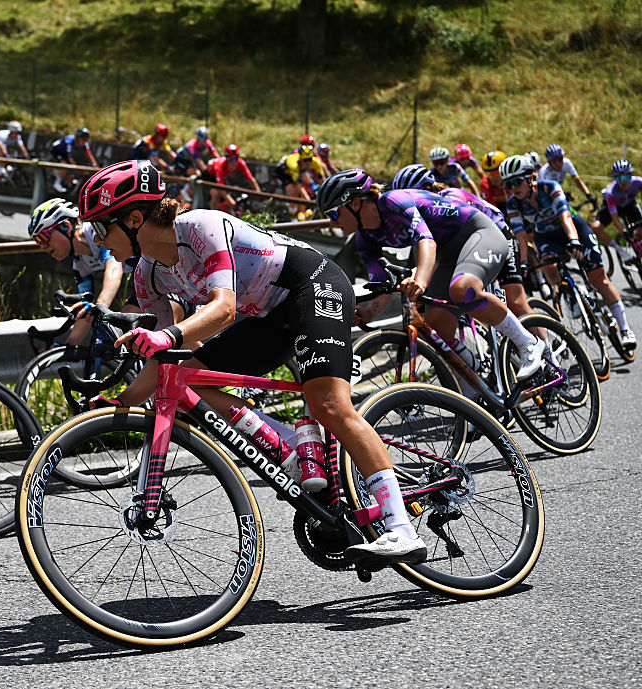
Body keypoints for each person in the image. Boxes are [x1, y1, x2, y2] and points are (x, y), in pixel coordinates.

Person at [76, 160, 428, 564]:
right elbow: (164, 362)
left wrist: (166, 334)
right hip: (269, 314)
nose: (100, 240)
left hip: (311, 285)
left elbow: (222, 310)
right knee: (187, 379)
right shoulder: (146, 275)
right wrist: (120, 403)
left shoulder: (199, 228)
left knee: (328, 405)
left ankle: (401, 529)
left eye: (103, 228)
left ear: (135, 219)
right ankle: (294, 446)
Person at [329, 168, 544, 382]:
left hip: (477, 232)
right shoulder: (364, 238)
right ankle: (475, 388)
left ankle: (528, 343)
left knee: (463, 288)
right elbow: (382, 285)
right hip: (448, 253)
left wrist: (420, 281)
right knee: (436, 331)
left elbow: (426, 241)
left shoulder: (392, 201)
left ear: (355, 203)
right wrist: (367, 313)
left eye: (334, 213)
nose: (332, 223)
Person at [502, 154, 636, 351]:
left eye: (516, 181)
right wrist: (523, 262)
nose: (513, 188)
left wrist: (574, 240)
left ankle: (625, 329)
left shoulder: (550, 187)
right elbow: (521, 235)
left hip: (574, 229)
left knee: (599, 279)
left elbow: (566, 218)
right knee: (548, 266)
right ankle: (570, 294)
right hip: (547, 237)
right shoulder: (513, 204)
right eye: (508, 184)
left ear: (531, 178)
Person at [392, 163, 533, 333]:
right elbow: (436, 256)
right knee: (437, 320)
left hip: (497, 234)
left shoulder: (451, 197)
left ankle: (547, 352)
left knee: (515, 301)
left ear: (428, 189)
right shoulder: (421, 216)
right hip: (463, 249)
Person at [28, 198, 124, 346]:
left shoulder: (96, 231)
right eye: (38, 241)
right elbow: (85, 312)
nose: (43, 246)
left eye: (44, 237)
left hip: (163, 272)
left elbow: (115, 269)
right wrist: (66, 349)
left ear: (66, 226)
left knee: (131, 320)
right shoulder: (80, 264)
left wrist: (100, 306)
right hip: (145, 277)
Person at [590, 159, 642, 265]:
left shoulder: (638, 182)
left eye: (626, 177)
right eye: (619, 178)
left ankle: (637, 245)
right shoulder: (611, 192)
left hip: (629, 205)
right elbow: (615, 219)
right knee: (595, 227)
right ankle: (621, 251)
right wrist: (624, 231)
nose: (623, 181)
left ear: (631, 175)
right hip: (612, 208)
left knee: (639, 231)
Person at [204, 144, 260, 214]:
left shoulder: (241, 162)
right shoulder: (219, 165)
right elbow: (221, 187)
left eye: (235, 158)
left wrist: (259, 193)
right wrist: (233, 204)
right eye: (231, 159)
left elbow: (250, 179)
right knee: (216, 193)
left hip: (220, 178)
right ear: (226, 159)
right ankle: (213, 213)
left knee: (229, 201)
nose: (233, 162)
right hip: (209, 176)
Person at [539, 143, 597, 208]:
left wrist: (588, 195)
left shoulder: (566, 163)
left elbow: (577, 180)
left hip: (556, 192)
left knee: (575, 216)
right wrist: (564, 195)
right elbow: (548, 193)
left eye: (560, 159)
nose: (558, 163)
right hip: (545, 197)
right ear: (549, 162)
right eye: (554, 161)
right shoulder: (545, 172)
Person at [50, 127, 97, 192]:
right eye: (83, 139)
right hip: (56, 151)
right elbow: (70, 158)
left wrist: (95, 164)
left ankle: (67, 184)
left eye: (86, 140)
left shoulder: (84, 143)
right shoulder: (69, 141)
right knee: (65, 165)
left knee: (71, 171)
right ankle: (57, 183)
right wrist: (79, 170)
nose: (85, 141)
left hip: (64, 153)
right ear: (78, 138)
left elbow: (89, 154)